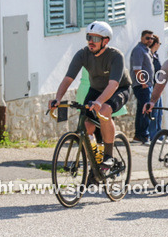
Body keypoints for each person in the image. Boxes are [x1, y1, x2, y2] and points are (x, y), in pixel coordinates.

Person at [49, 21, 131, 175]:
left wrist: (100, 102)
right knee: (86, 126)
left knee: (105, 111)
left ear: (105, 41)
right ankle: (94, 163)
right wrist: (58, 99)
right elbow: (68, 79)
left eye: (96, 38)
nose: (91, 42)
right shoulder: (83, 54)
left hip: (118, 89)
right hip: (96, 89)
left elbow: (113, 84)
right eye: (89, 37)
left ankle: (108, 156)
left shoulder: (115, 56)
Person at [130, 30, 156, 144]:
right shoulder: (138, 50)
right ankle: (144, 136)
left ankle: (138, 136)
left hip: (146, 85)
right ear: (141, 38)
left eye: (151, 38)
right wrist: (144, 84)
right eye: (147, 38)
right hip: (142, 86)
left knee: (142, 110)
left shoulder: (147, 50)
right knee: (146, 109)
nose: (150, 40)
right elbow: (137, 68)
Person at [147, 35, 164, 141]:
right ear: (156, 44)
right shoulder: (149, 56)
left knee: (159, 112)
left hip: (158, 86)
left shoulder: (155, 55)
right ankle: (153, 136)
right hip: (153, 86)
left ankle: (159, 135)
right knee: (154, 112)